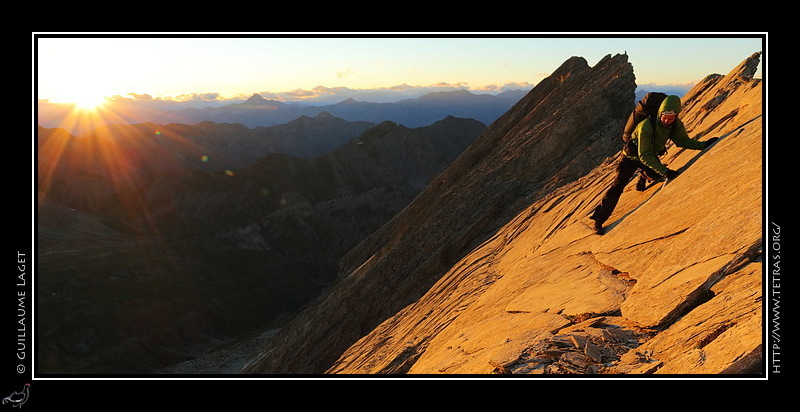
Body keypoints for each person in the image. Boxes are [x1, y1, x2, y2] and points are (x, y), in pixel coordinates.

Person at [586, 95, 717, 235]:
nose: (667, 120)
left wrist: (703, 145)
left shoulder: (675, 125)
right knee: (618, 186)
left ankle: (643, 176)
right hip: (631, 157)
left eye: (671, 118)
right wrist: (665, 171)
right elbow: (644, 156)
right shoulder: (646, 126)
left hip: (649, 154)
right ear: (660, 113)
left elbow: (683, 141)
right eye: (665, 117)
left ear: (677, 116)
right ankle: (598, 221)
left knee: (654, 176)